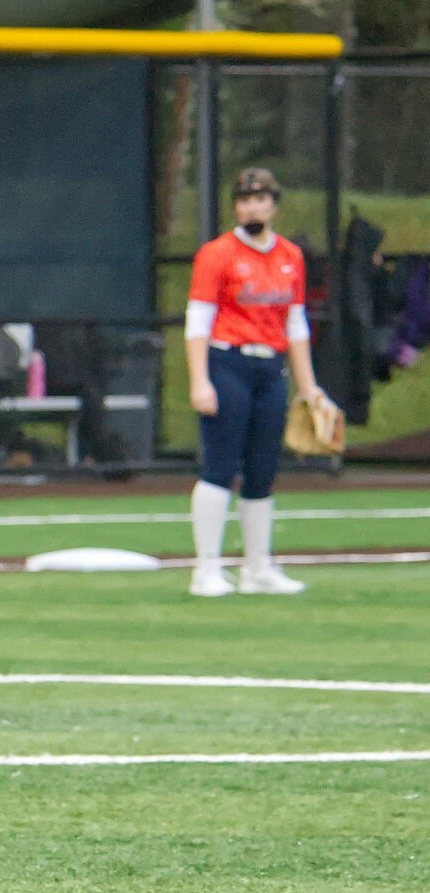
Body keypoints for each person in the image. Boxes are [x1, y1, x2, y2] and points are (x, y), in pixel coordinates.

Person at [185, 167, 328, 597]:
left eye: (261, 198)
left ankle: (257, 568)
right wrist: (199, 381)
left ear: (274, 205)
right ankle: (206, 569)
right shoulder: (217, 254)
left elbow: (296, 323)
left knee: (263, 470)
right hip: (228, 362)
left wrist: (309, 387)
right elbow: (198, 321)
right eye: (245, 199)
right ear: (236, 206)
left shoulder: (290, 256)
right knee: (220, 466)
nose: (253, 206)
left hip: (271, 370)